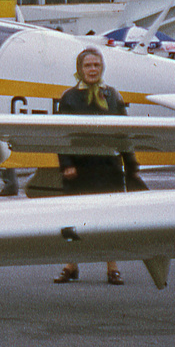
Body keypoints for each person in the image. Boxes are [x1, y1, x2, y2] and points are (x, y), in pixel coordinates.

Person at [54, 47, 140, 285]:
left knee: (109, 219)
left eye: (96, 65)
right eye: (87, 66)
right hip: (79, 169)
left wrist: (131, 164)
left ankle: (112, 267)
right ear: (79, 69)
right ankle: (71, 265)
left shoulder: (113, 96)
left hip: (107, 167)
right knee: (74, 218)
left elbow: (124, 133)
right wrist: (67, 164)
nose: (92, 70)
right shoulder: (69, 98)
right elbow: (63, 134)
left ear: (102, 68)